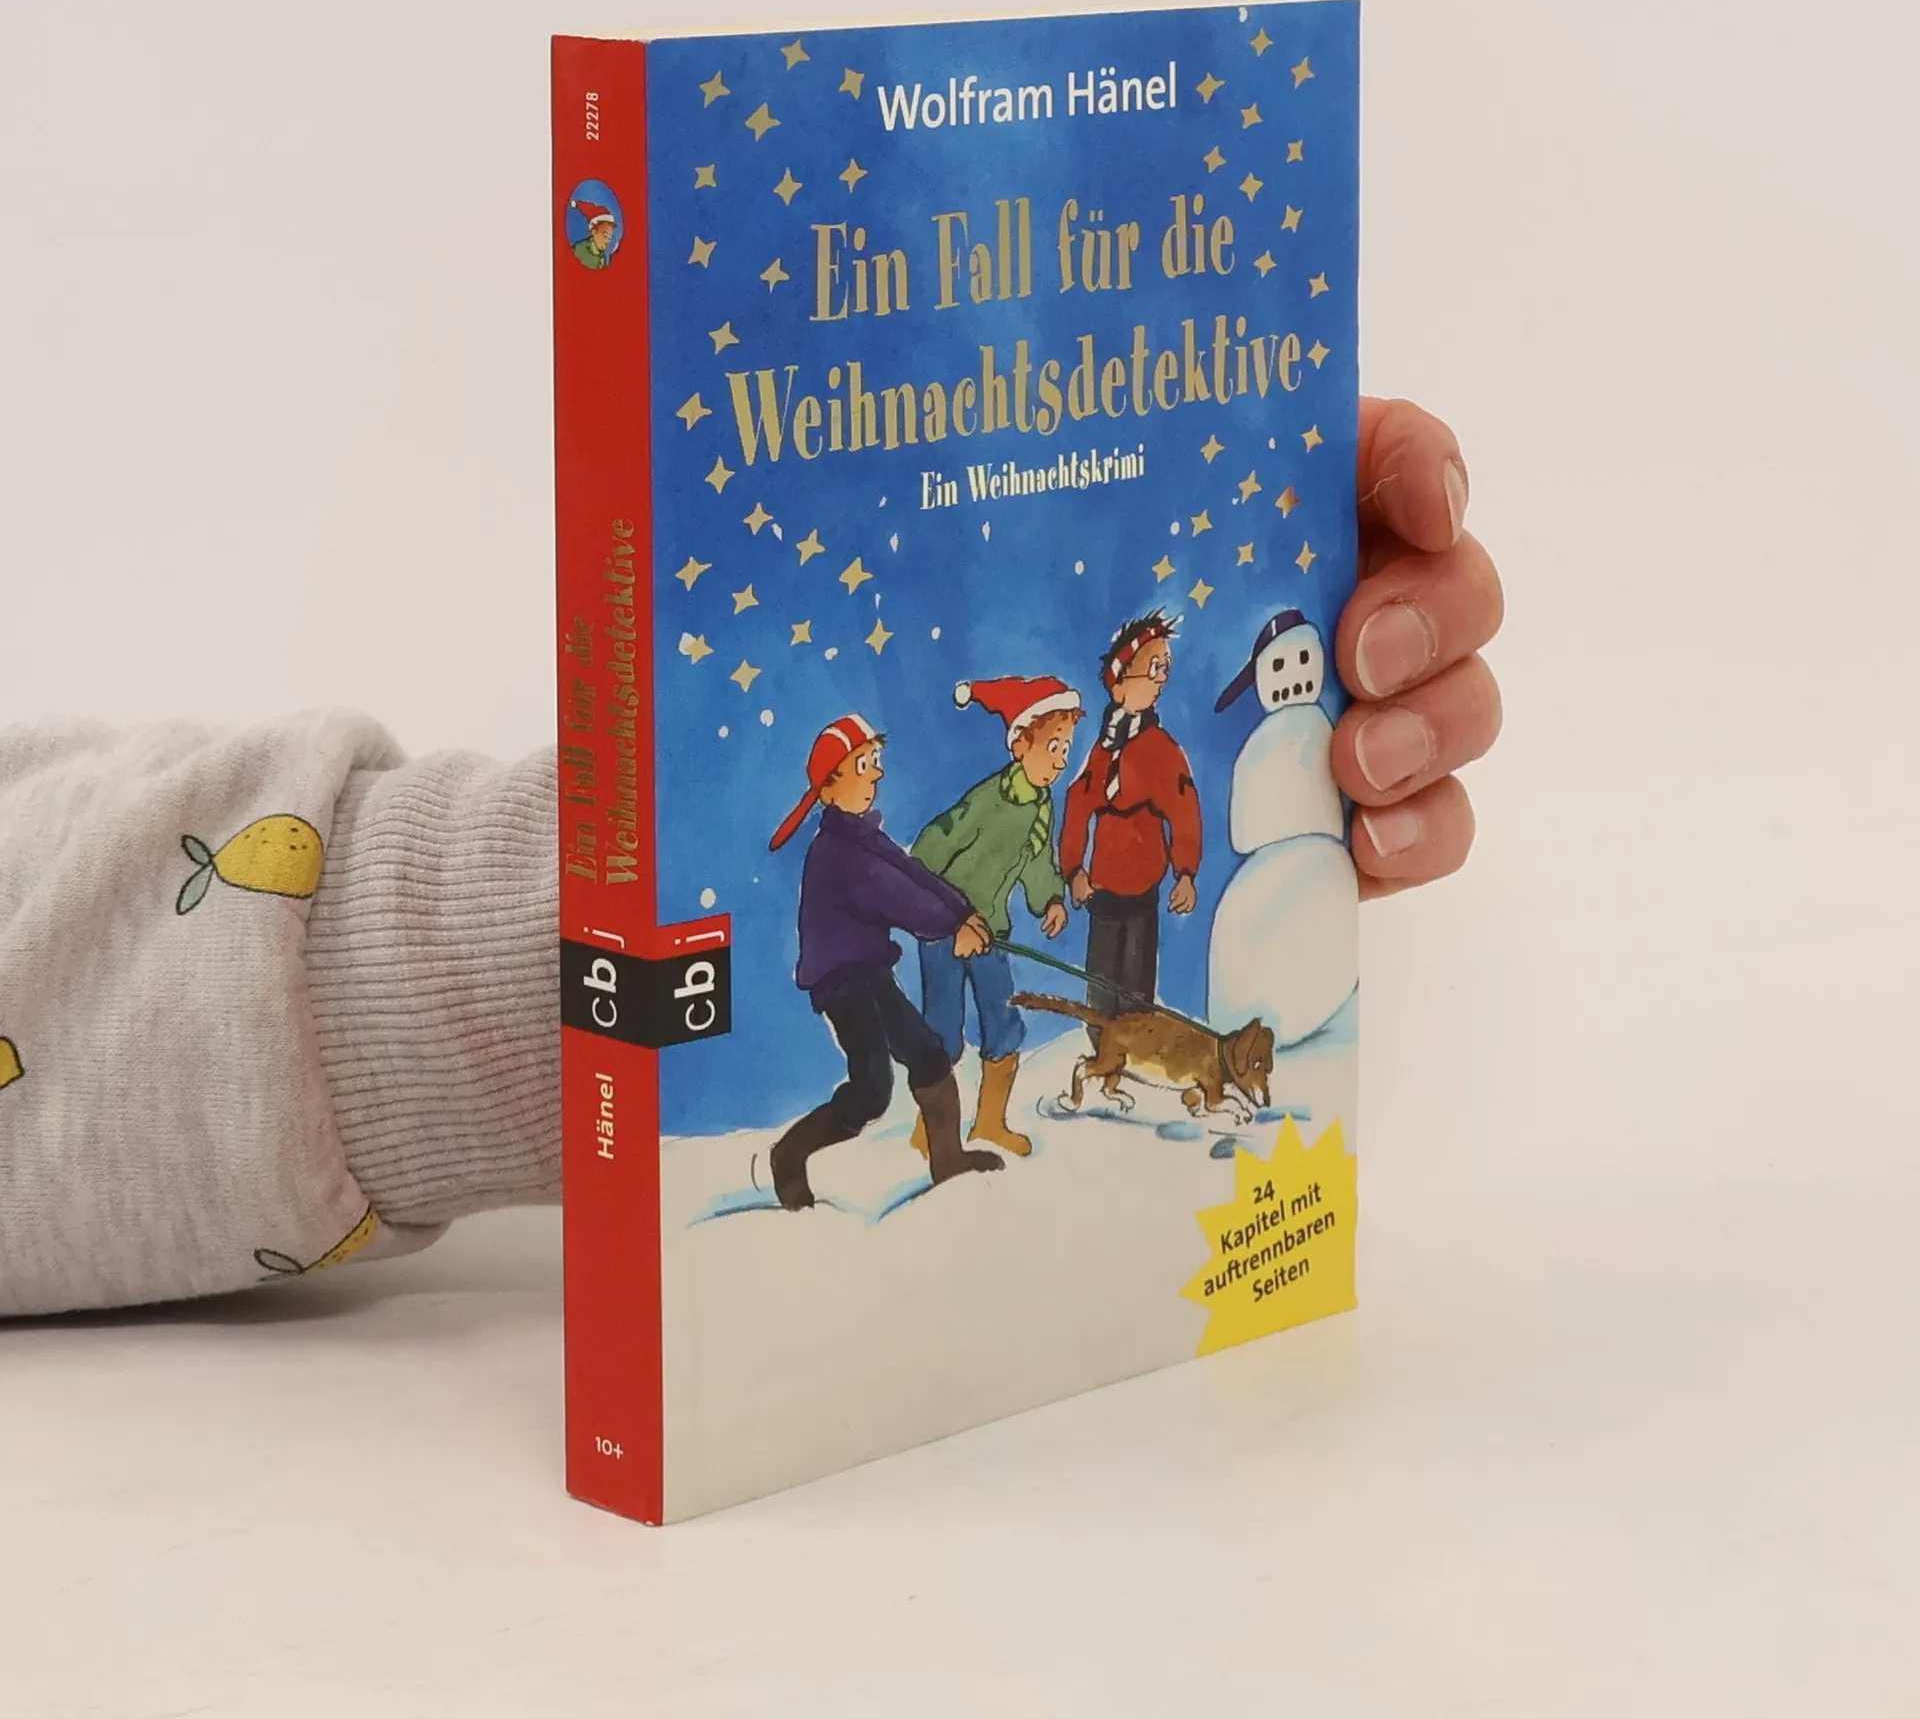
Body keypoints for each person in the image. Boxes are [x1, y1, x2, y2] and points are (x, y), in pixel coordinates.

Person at [0, 398, 1504, 1316]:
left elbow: (1011, 848)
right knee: (905, 1063)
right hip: (864, 965)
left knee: (961, 1050)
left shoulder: (1023, 790)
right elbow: (919, 869)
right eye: (863, 766)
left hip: (1013, 919)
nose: (881, 773)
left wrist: (578, 908)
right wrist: (972, 910)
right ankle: (836, 1155)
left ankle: (958, 1145)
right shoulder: (860, 838)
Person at [764, 713, 1006, 1211]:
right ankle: (789, 1155)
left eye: (875, 760)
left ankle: (948, 1160)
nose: (876, 772)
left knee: (929, 1057)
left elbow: (912, 874)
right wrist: (950, 925)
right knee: (873, 1090)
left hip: (870, 970)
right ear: (830, 786)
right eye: (863, 764)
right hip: (841, 980)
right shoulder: (838, 852)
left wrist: (963, 913)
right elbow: (895, 896)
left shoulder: (863, 836)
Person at [909, 674, 1084, 1158]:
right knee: (943, 1032)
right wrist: (950, 920)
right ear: (1021, 743)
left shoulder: (1040, 806)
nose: (1061, 760)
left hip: (991, 933)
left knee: (1003, 1023)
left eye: (1066, 748)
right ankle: (931, 1130)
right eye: (1052, 746)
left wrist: (1050, 900)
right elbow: (926, 854)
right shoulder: (988, 800)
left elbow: (1036, 862)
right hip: (943, 931)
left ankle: (989, 1123)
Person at [1060, 610, 1200, 1021]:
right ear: (1120, 684)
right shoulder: (1103, 750)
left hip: (1143, 894)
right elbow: (1077, 805)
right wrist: (1074, 871)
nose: (1162, 677)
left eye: (1165, 668)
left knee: (1137, 993)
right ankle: (1101, 1051)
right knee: (1101, 989)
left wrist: (1185, 873)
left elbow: (1185, 810)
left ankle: (1133, 1049)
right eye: (1154, 667)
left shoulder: (1162, 749)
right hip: (1103, 891)